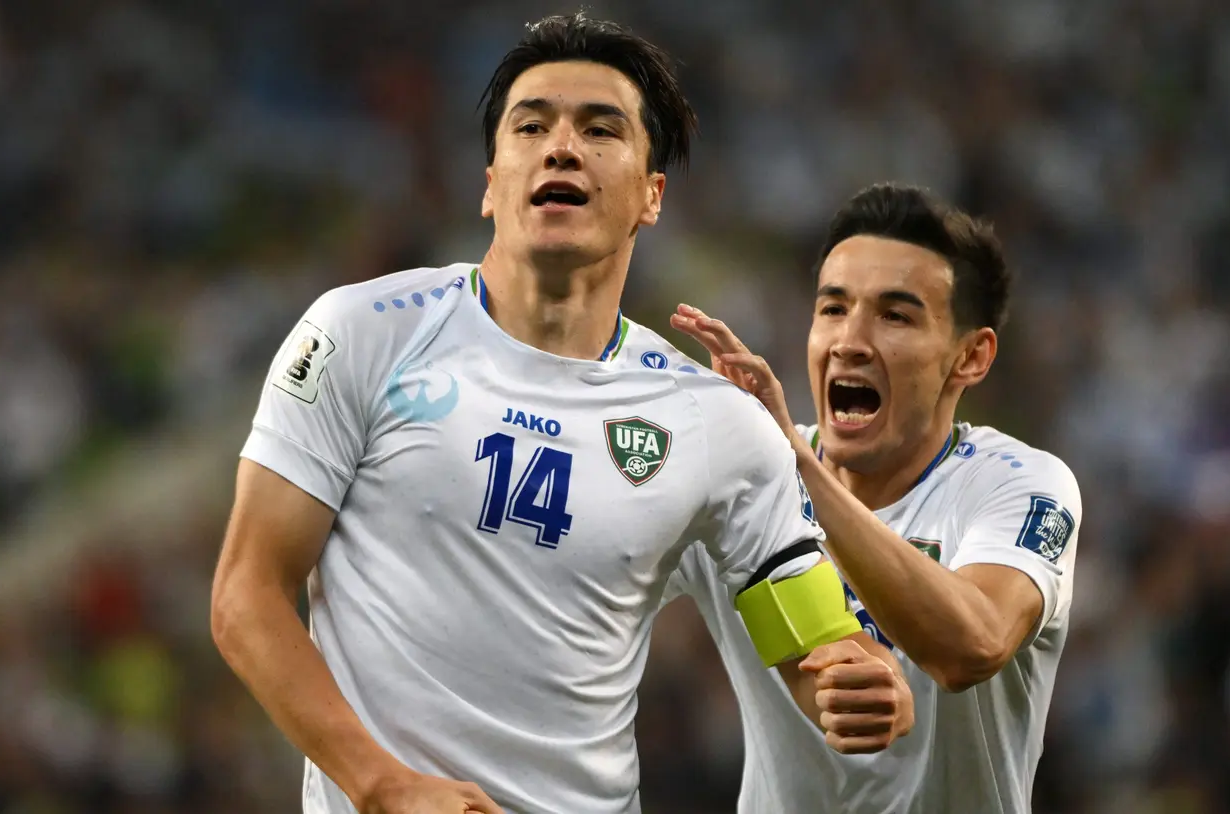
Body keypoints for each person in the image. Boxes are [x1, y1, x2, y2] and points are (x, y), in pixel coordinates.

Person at [209, 14, 906, 814]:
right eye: (531, 125)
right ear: (490, 182)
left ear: (651, 196)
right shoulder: (362, 333)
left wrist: (860, 684)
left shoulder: (715, 422)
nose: (562, 147)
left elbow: (818, 649)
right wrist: (381, 783)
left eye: (600, 130)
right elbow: (246, 597)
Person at [665, 182, 1083, 813]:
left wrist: (795, 466)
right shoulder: (742, 481)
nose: (850, 341)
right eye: (833, 309)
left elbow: (971, 646)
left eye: (895, 316)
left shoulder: (1018, 485)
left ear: (971, 357)